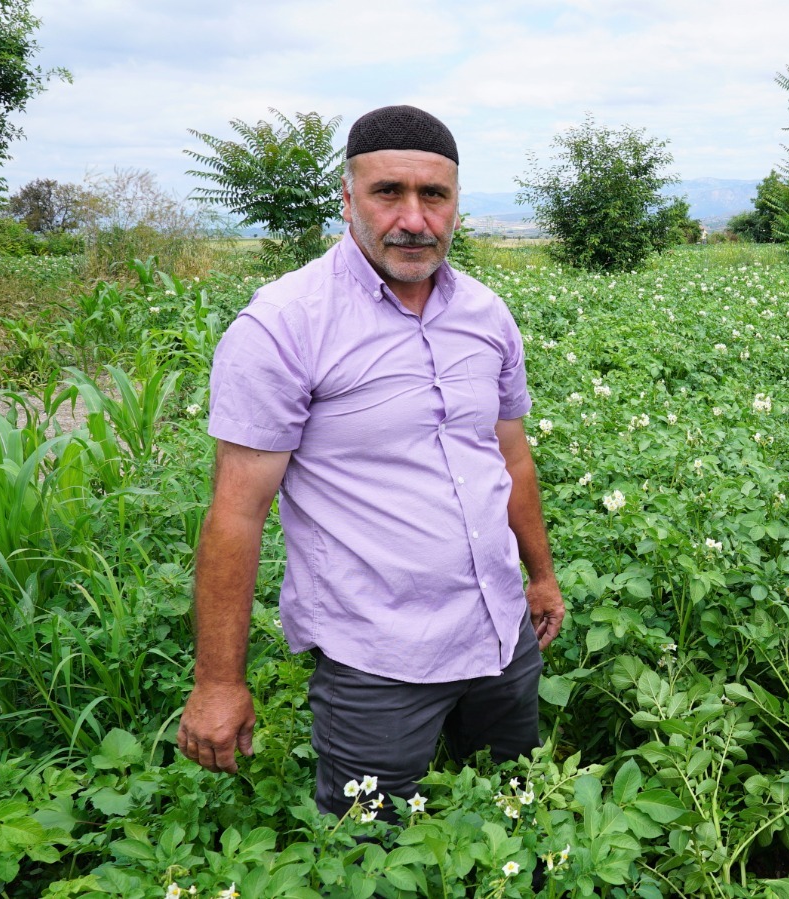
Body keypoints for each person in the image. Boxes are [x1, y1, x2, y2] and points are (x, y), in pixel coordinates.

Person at [176, 105, 565, 818]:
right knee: (370, 848)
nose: (413, 219)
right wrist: (217, 682)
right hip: (378, 657)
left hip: (500, 632)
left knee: (516, 815)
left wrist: (539, 577)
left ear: (456, 204)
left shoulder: (486, 314)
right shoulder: (285, 323)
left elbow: (510, 458)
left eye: (434, 195)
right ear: (348, 197)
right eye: (389, 192)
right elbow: (236, 512)